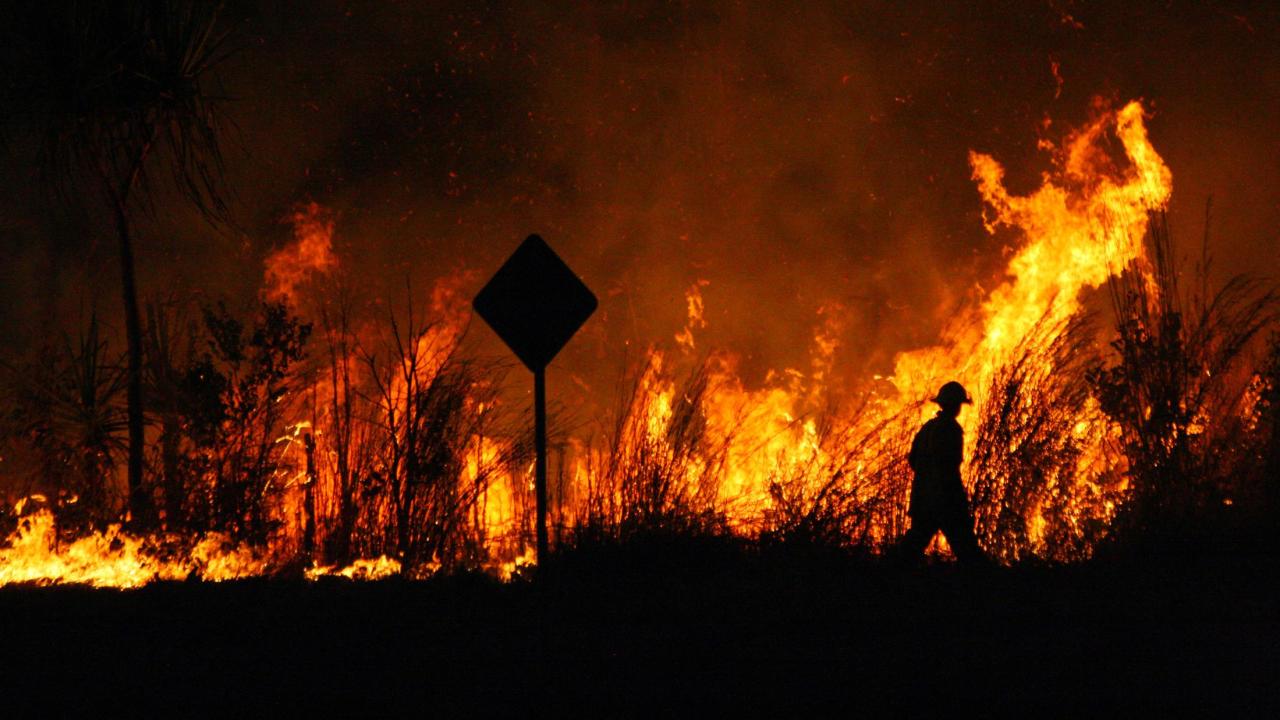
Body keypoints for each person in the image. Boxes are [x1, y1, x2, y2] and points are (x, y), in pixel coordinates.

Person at [896, 381, 986, 564]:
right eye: (959, 404)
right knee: (967, 547)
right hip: (945, 499)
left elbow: (913, 460)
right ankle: (985, 585)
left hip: (924, 497)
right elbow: (949, 467)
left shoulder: (927, 428)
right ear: (954, 405)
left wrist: (926, 481)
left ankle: (885, 573)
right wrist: (954, 497)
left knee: (913, 544)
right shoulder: (951, 429)